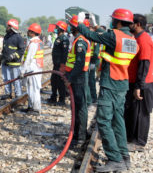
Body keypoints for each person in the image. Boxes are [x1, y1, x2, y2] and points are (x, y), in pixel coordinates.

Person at [77, 9, 138, 172]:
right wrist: (96, 26)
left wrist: (80, 23)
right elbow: (108, 38)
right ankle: (124, 157)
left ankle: (115, 158)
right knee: (118, 121)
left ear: (117, 22)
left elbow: (93, 37)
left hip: (110, 83)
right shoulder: (132, 39)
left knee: (104, 121)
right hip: (122, 84)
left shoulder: (114, 36)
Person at [125, 14, 153, 152]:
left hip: (143, 82)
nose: (128, 25)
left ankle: (139, 142)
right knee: (133, 111)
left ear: (137, 24)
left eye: (131, 23)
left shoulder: (144, 39)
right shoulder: (137, 38)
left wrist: (139, 86)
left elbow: (144, 63)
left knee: (141, 113)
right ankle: (131, 138)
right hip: (135, 81)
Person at [63, 16, 91, 147]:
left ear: (75, 27)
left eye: (70, 25)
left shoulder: (80, 42)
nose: (69, 27)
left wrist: (70, 79)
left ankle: (80, 137)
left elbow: (79, 64)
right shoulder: (77, 40)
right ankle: (76, 135)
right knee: (76, 106)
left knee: (80, 107)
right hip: (76, 77)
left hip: (78, 78)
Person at [0, 19, 25, 100]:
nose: (7, 27)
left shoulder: (18, 37)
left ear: (12, 27)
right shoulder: (6, 36)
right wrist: (0, 58)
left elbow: (21, 50)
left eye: (8, 26)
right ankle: (8, 93)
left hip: (14, 64)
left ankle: (18, 95)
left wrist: (13, 56)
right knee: (6, 79)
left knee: (15, 80)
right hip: (5, 62)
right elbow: (4, 50)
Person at [20, 23, 44, 114]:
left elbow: (29, 58)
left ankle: (36, 109)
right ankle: (30, 107)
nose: (27, 32)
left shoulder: (33, 43)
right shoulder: (38, 42)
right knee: (31, 88)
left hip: (32, 68)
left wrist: (22, 71)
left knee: (34, 89)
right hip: (36, 68)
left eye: (29, 31)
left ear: (33, 33)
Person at [48, 21, 69, 106]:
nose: (55, 29)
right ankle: (53, 97)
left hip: (60, 65)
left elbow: (65, 53)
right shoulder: (58, 38)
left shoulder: (64, 39)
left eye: (57, 27)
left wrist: (62, 65)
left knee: (60, 83)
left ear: (61, 29)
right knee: (53, 81)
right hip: (56, 64)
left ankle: (62, 99)